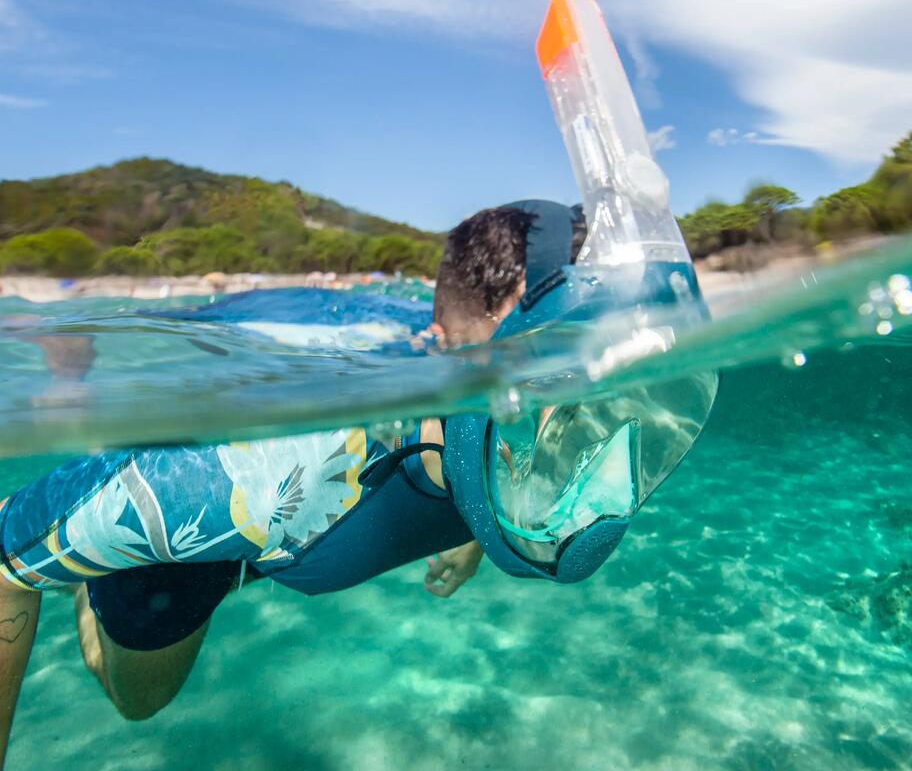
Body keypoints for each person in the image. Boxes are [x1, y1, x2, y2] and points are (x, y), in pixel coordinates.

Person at [0, 202, 585, 766]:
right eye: (545, 374)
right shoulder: (225, 484)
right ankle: (73, 389)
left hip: (288, 524)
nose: (575, 421)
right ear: (449, 352)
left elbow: (497, 431)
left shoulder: (528, 421)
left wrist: (476, 531)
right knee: (138, 702)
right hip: (221, 505)